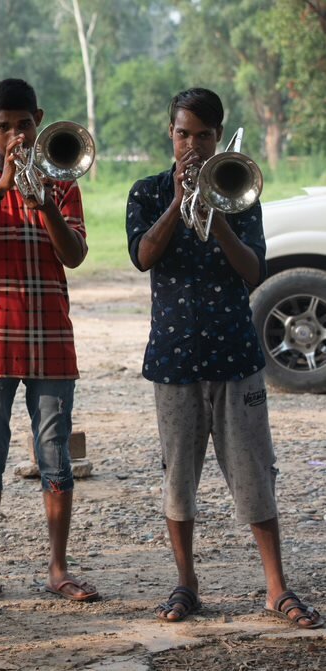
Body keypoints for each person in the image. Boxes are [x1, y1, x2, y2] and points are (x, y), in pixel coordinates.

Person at [125, 87, 322, 629]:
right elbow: (143, 255)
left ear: (218, 137)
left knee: (255, 472)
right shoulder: (145, 193)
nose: (192, 144)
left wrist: (219, 213)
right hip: (173, 358)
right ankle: (186, 583)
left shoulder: (239, 190)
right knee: (178, 478)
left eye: (203, 135)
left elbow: (254, 271)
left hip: (235, 355)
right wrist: (177, 204)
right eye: (183, 133)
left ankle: (276, 588)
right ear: (171, 133)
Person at [0, 78, 97, 605]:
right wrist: (4, 187)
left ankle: (58, 568)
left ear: (39, 121)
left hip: (51, 339)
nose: (15, 134)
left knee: (55, 455)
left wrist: (44, 201)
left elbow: (73, 255)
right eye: (4, 126)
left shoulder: (63, 181)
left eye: (24, 124)